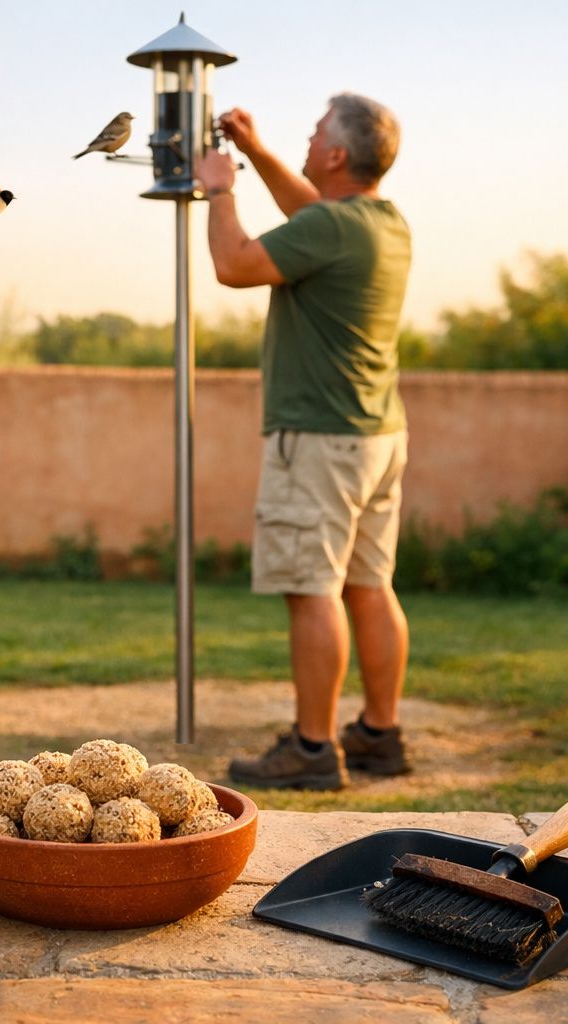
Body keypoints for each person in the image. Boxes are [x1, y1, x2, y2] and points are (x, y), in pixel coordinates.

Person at [194, 94, 413, 792]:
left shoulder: (332, 226)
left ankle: (313, 749)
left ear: (337, 154)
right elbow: (309, 214)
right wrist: (257, 151)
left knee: (310, 589)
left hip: (318, 440)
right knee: (369, 584)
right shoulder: (381, 221)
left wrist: (221, 189)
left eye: (315, 133)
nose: (308, 140)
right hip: (376, 435)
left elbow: (234, 264)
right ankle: (380, 735)